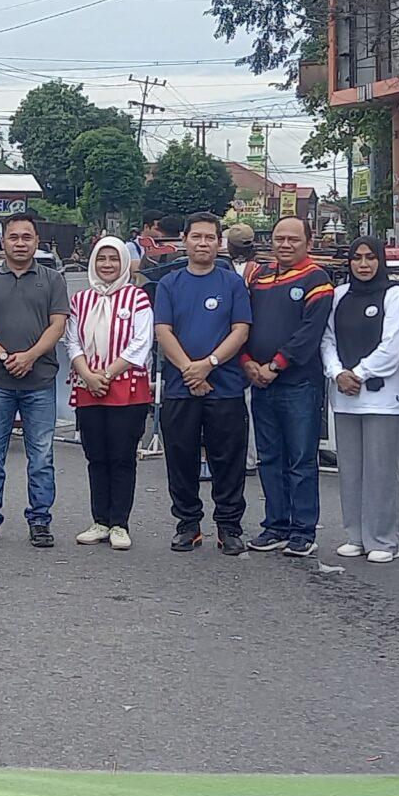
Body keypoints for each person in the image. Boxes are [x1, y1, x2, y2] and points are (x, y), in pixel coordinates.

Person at [153, 212, 253, 554]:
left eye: (210, 237)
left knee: (228, 460)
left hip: (225, 387)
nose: (203, 243)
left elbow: (240, 331)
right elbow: (163, 331)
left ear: (219, 242)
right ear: (184, 240)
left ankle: (229, 526)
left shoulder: (233, 283)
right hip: (180, 387)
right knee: (181, 458)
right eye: (196, 236)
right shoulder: (169, 284)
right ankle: (188, 524)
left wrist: (208, 365)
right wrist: (189, 370)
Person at [0, 211, 69, 548]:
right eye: (13, 237)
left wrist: (30, 356)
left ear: (37, 241)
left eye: (27, 237)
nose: (20, 243)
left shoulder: (53, 279)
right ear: (3, 242)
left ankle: (40, 520)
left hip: (39, 379)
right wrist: (3, 356)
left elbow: (58, 324)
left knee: (41, 456)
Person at [242, 216, 334, 558]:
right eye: (279, 238)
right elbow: (243, 322)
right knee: (269, 458)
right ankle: (276, 525)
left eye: (293, 239)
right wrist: (247, 362)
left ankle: (303, 530)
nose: (284, 244)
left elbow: (309, 333)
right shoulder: (259, 277)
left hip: (299, 384)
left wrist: (275, 365)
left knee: (300, 460)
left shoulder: (317, 279)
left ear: (308, 243)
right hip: (260, 382)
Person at [323, 236, 399, 562]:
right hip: (345, 396)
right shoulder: (340, 295)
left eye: (370, 257)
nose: (363, 264)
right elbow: (327, 339)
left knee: (381, 472)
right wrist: (337, 373)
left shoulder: (395, 294)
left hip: (383, 397)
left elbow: (393, 346)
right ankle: (356, 535)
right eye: (357, 258)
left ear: (380, 260)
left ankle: (383, 540)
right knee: (350, 470)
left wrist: (358, 373)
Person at [65, 236, 153, 550]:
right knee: (96, 456)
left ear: (124, 263)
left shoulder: (137, 298)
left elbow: (141, 342)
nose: (107, 265)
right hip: (88, 386)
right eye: (101, 259)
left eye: (114, 259)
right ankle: (100, 520)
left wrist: (107, 374)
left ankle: (119, 523)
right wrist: (88, 376)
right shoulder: (80, 300)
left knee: (122, 456)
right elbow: (72, 341)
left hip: (126, 387)